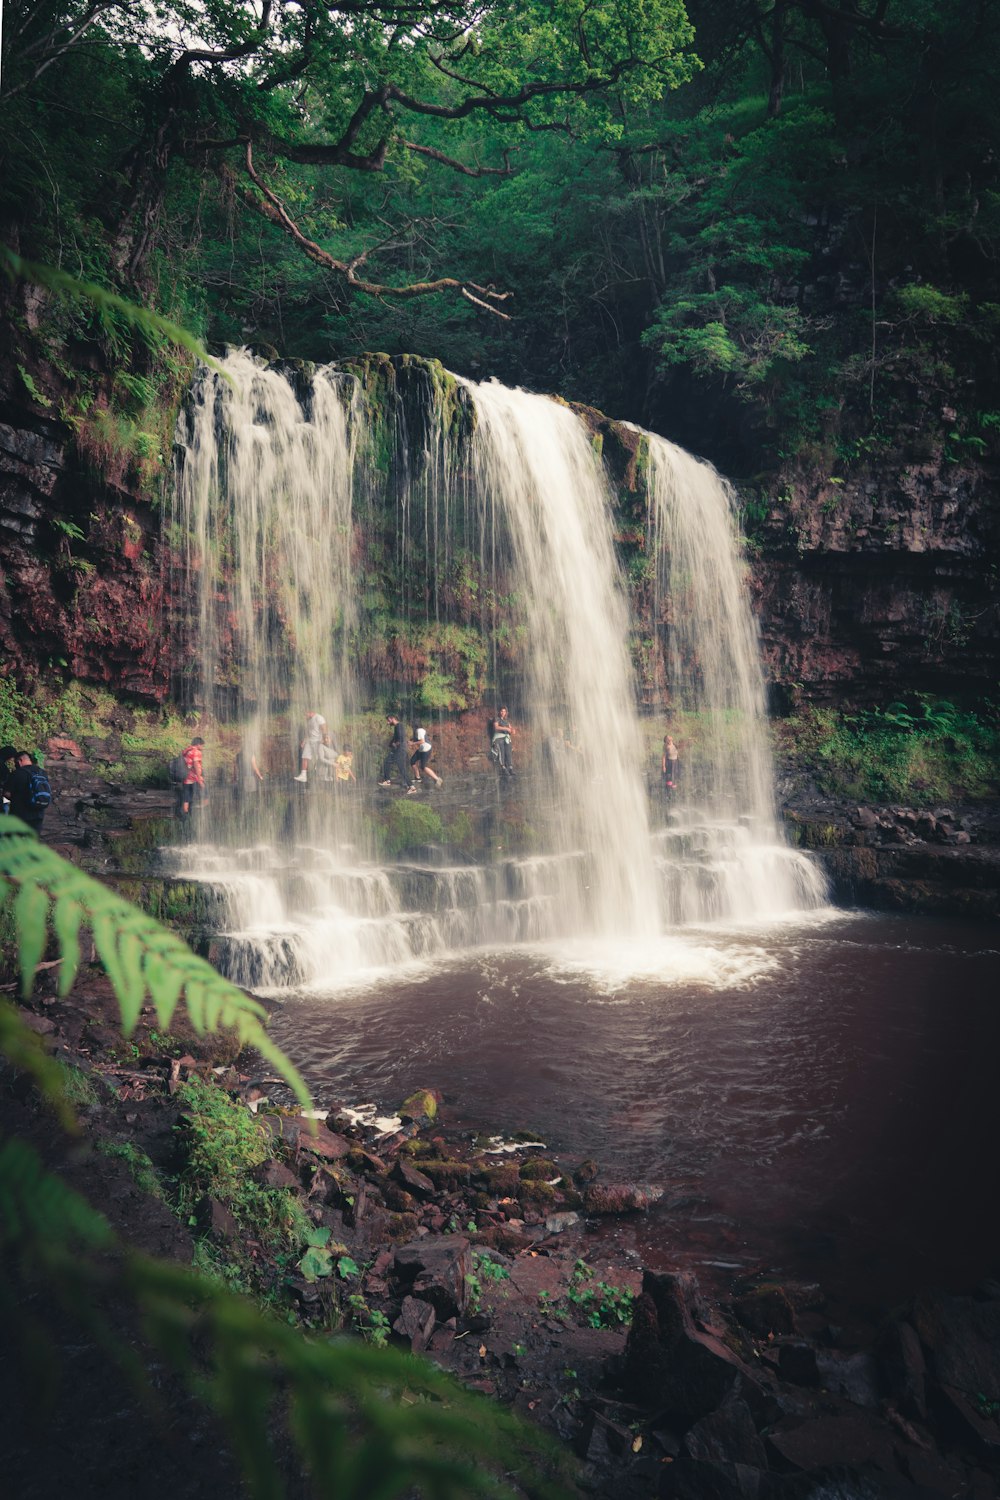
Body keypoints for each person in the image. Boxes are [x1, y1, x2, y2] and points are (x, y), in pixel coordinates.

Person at [4, 751, 52, 834]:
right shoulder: (42, 773)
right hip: (38, 814)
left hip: (19, 815)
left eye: (15, 762)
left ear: (20, 761)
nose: (15, 765)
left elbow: (6, 793)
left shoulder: (17, 773)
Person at [294, 711, 333, 783]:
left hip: (317, 742)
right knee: (305, 757)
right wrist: (304, 741)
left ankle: (326, 775)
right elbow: (309, 732)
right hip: (309, 741)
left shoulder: (319, 718)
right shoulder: (308, 720)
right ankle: (303, 776)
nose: (304, 717)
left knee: (320, 758)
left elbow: (324, 728)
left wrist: (324, 740)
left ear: (310, 712)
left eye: (305, 715)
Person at [379, 715, 415, 791]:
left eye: (388, 720)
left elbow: (401, 738)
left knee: (399, 767)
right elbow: (395, 737)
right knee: (389, 762)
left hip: (400, 750)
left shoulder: (399, 726)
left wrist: (396, 744)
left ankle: (411, 787)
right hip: (399, 750)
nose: (388, 723)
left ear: (393, 719)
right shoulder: (397, 727)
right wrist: (391, 743)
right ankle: (388, 780)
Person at [180, 736, 207, 818]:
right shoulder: (196, 752)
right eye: (202, 745)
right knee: (206, 792)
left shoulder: (187, 750)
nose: (203, 747)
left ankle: (186, 814)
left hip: (185, 778)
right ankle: (201, 808)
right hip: (194, 777)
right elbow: (196, 765)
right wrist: (199, 778)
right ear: (198, 744)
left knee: (186, 797)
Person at [489, 706, 515, 774]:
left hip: (506, 738)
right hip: (499, 738)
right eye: (501, 711)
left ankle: (510, 768)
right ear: (499, 712)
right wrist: (506, 729)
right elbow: (496, 727)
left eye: (504, 711)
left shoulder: (507, 721)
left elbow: (511, 729)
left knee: (508, 753)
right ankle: (503, 768)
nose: (502, 713)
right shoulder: (496, 719)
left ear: (506, 712)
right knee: (501, 753)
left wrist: (512, 731)